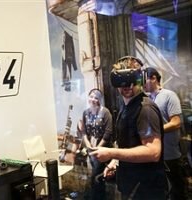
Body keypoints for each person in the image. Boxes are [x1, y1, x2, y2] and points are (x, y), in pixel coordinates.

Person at [91, 56, 167, 200]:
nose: (127, 85)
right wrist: (115, 162)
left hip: (146, 189)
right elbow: (127, 143)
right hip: (132, 185)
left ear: (141, 80)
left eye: (133, 79)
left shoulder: (145, 109)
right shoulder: (125, 107)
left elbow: (153, 152)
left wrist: (112, 153)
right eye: (121, 80)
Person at [144, 67, 188, 200]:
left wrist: (155, 131)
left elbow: (176, 122)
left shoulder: (169, 95)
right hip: (155, 154)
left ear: (153, 78)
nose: (142, 84)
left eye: (144, 79)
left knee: (177, 191)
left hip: (170, 154)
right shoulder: (148, 100)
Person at [81, 88, 113, 200]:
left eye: (96, 97)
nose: (93, 99)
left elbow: (108, 133)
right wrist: (87, 144)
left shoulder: (105, 112)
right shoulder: (85, 113)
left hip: (102, 149)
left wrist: (97, 148)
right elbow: (84, 131)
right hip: (90, 149)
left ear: (99, 100)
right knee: (93, 176)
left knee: (96, 177)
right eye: (91, 96)